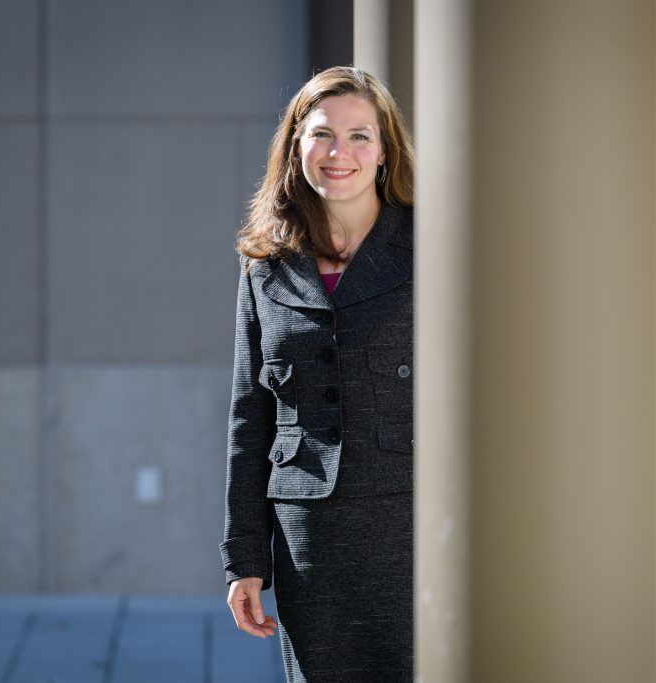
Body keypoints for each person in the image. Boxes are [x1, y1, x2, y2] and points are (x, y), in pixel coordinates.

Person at [219, 66, 415, 682]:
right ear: (294, 144)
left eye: (360, 136)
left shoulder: (436, 247)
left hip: (412, 518)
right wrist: (244, 558)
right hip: (310, 534)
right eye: (322, 133)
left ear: (384, 151)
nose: (339, 153)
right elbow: (250, 413)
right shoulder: (265, 264)